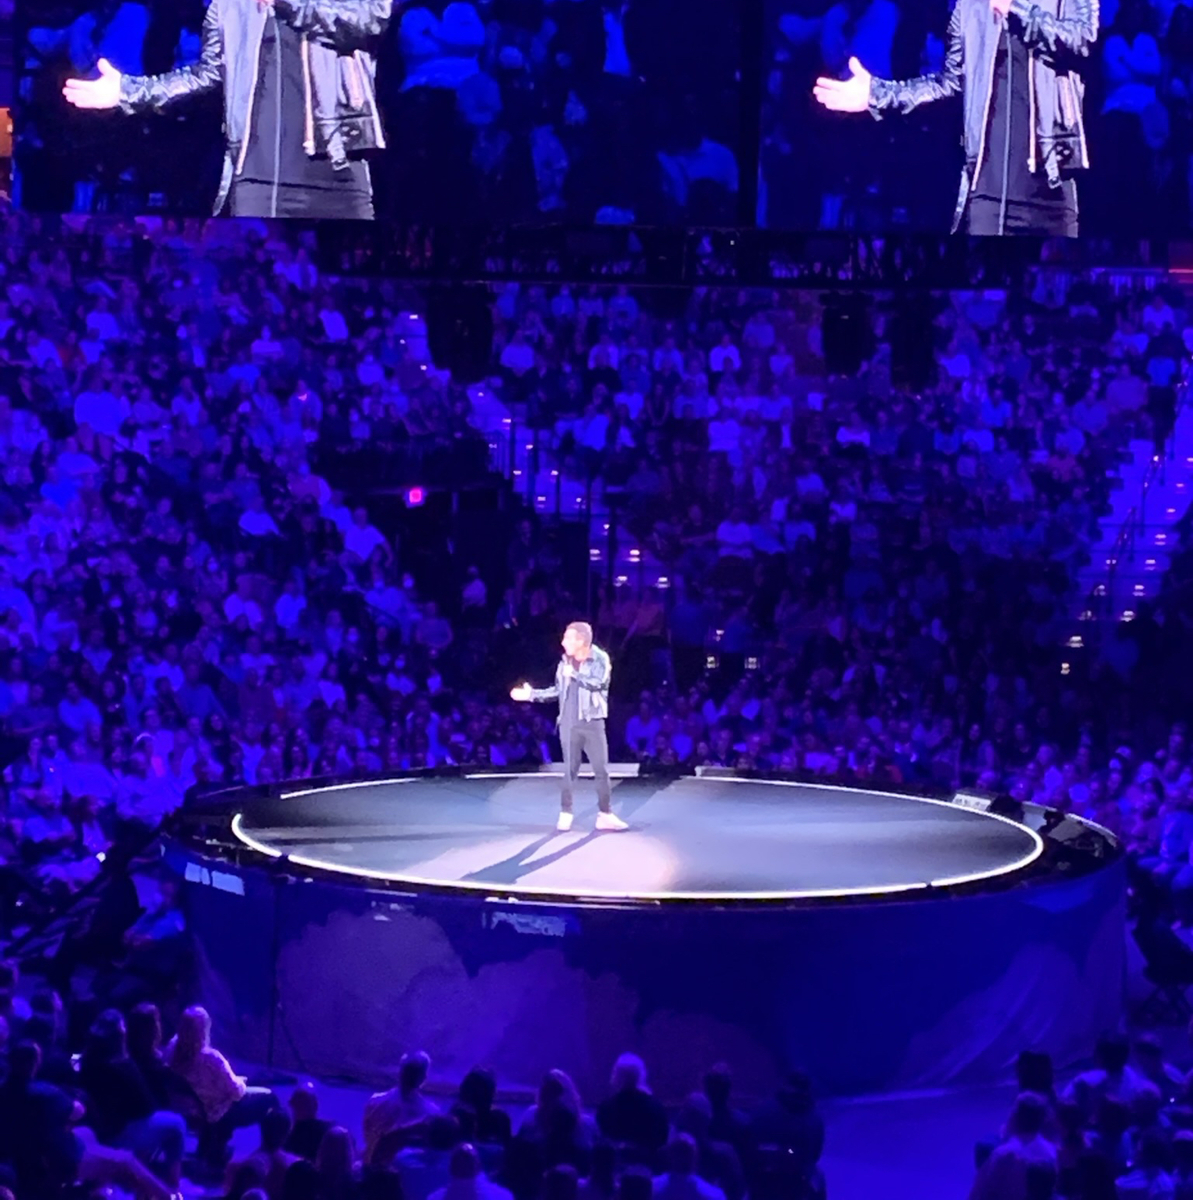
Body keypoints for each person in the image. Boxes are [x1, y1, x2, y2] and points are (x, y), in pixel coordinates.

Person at [61, 0, 392, 219]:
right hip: (257, 176)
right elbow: (206, 74)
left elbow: (369, 22)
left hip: (334, 166)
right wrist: (129, 91)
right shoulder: (230, 5)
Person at [812, 0, 1095, 235]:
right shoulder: (970, 5)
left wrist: (1016, 9)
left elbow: (1082, 42)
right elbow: (950, 84)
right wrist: (877, 94)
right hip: (987, 193)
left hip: (1050, 186)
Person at [509, 621, 627, 832]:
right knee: (570, 769)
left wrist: (574, 674)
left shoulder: (600, 658)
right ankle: (566, 812)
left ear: (581, 641)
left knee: (601, 769)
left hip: (592, 721)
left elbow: (597, 683)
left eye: (568, 638)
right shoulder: (564, 663)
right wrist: (532, 695)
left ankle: (605, 814)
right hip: (568, 723)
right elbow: (558, 690)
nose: (563, 642)